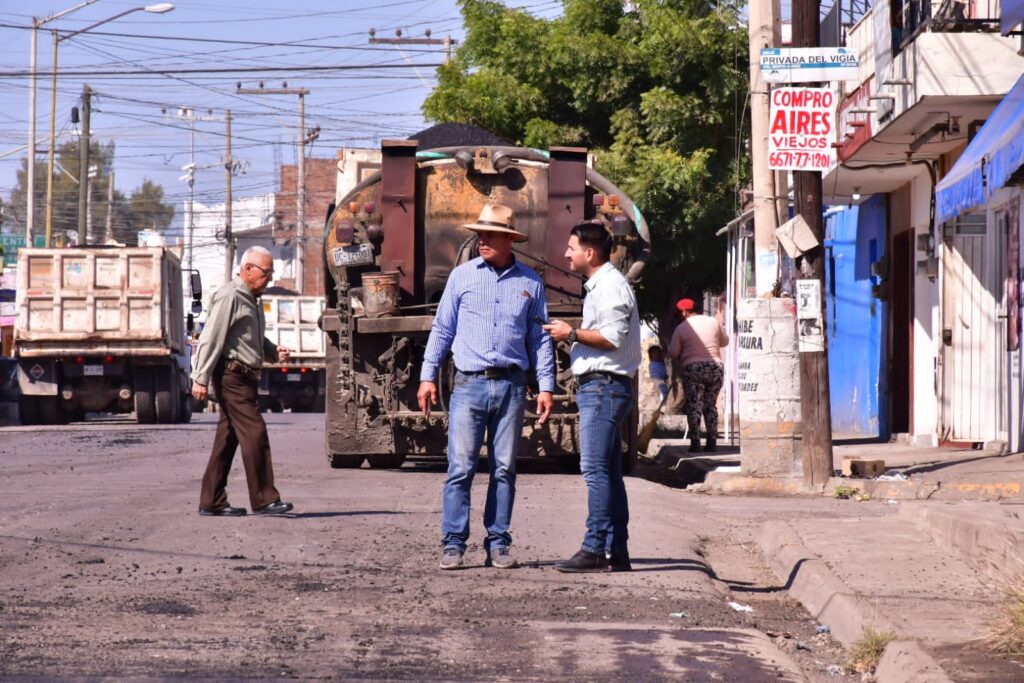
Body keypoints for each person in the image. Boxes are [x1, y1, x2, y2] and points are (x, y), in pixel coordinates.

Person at [418, 203, 555, 571]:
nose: (482, 240)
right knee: (460, 467)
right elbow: (442, 329)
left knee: (505, 468)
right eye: (480, 233)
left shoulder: (530, 282)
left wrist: (546, 386)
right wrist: (427, 376)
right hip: (468, 385)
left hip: (511, 387)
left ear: (509, 240)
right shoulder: (462, 277)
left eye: (491, 234)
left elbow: (540, 339)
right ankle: (453, 543)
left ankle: (498, 542)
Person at [544, 221, 641, 573]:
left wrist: (571, 333)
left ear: (589, 252)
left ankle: (595, 548)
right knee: (609, 473)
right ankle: (618, 551)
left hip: (603, 387)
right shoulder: (601, 285)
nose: (565, 254)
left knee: (595, 470)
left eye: (571, 248)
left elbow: (612, 337)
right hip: (604, 387)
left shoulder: (610, 287)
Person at [192, 246, 294, 516]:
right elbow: (211, 337)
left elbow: (251, 337)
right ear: (248, 269)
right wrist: (200, 377)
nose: (269, 278)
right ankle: (264, 499)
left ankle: (211, 499)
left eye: (271, 273)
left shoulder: (252, 297)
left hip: (245, 376)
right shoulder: (230, 296)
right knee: (255, 431)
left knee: (227, 439)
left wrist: (273, 351)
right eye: (266, 272)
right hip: (231, 376)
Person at [668, 297, 729, 453]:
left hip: (693, 369)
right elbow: (724, 342)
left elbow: (673, 353)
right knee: (710, 405)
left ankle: (695, 442)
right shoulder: (713, 322)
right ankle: (712, 441)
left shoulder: (681, 328)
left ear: (684, 311)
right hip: (715, 368)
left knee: (694, 406)